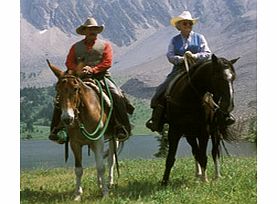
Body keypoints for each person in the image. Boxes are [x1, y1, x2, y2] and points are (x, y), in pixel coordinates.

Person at [49, 17, 134, 143]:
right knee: (61, 97)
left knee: (116, 94)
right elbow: (69, 62)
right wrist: (79, 70)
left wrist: (93, 70)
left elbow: (107, 62)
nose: (92, 31)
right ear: (85, 31)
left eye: (94, 29)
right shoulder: (75, 47)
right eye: (90, 29)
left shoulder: (105, 45)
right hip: (79, 78)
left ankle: (121, 127)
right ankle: (56, 129)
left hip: (101, 76)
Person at [146, 11, 212, 132]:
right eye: (185, 23)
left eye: (190, 24)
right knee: (161, 89)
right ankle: (156, 120)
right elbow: (170, 55)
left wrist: (194, 56)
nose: (188, 26)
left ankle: (222, 117)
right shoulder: (174, 40)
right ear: (179, 26)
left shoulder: (200, 37)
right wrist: (181, 59)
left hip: (197, 69)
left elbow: (207, 53)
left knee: (216, 87)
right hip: (179, 70)